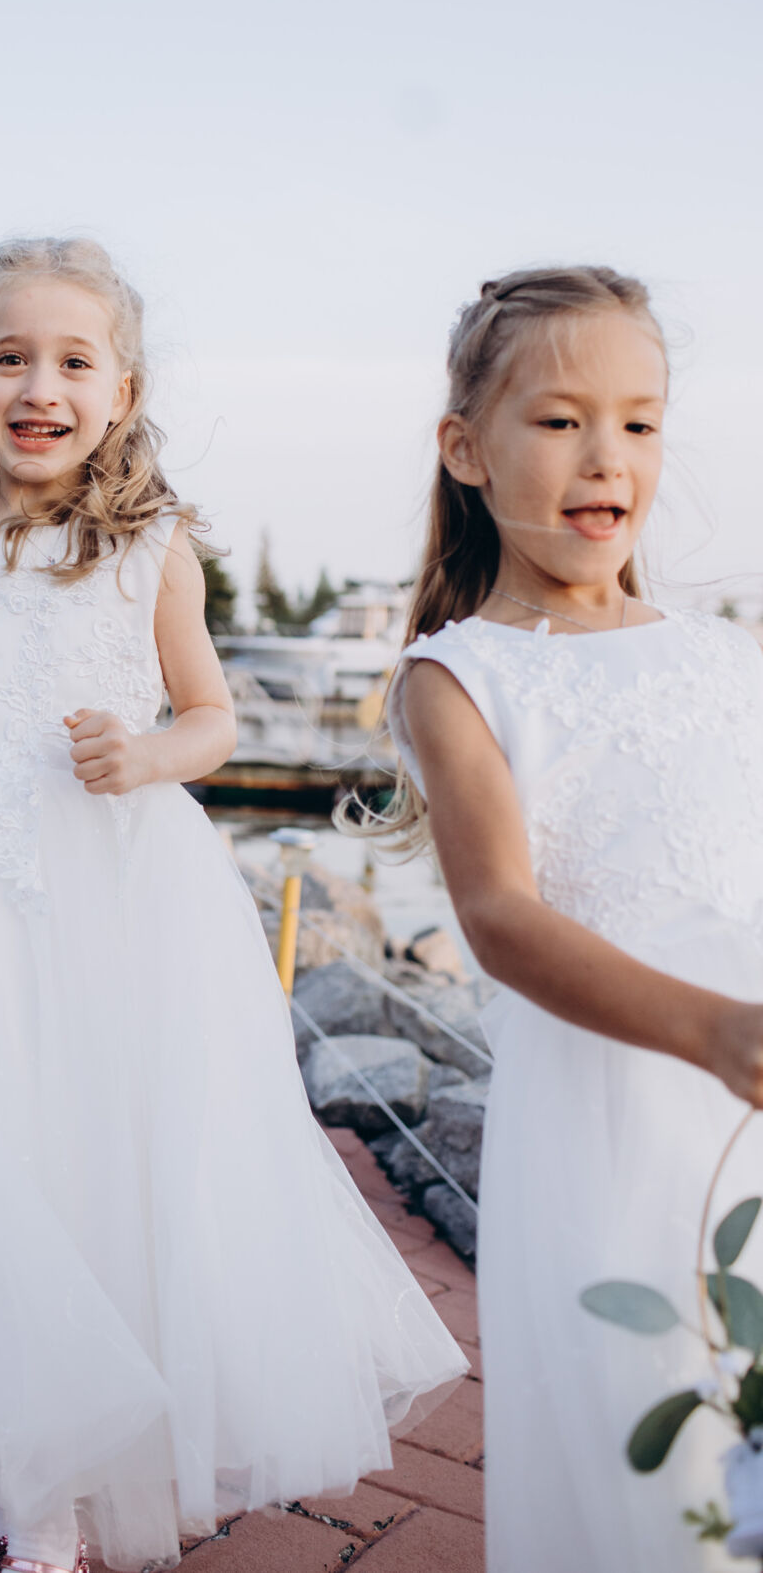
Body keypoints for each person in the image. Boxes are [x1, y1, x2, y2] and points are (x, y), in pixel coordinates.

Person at [0, 237, 464, 1573]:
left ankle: (63, 1481)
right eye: (10, 357)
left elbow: (211, 717)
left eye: (74, 361)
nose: (40, 385)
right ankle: (21, 1504)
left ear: (123, 391)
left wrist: (144, 755)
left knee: (89, 1168)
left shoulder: (151, 546)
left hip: (107, 895)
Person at [371, 267, 763, 1572]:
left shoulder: (725, 656)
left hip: (753, 1088)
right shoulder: (460, 676)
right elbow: (497, 914)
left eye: (641, 422)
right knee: (656, 1440)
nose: (609, 456)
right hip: (620, 1106)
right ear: (466, 447)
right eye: (560, 420)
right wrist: (714, 1031)